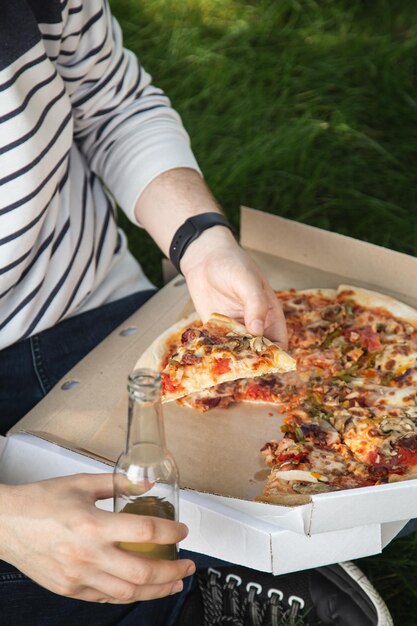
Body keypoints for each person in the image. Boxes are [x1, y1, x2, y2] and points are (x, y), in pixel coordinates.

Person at [0, 1, 394, 624]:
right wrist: (8, 524)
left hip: (95, 307)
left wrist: (201, 241)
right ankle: (228, 570)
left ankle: (217, 570)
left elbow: (110, 99)